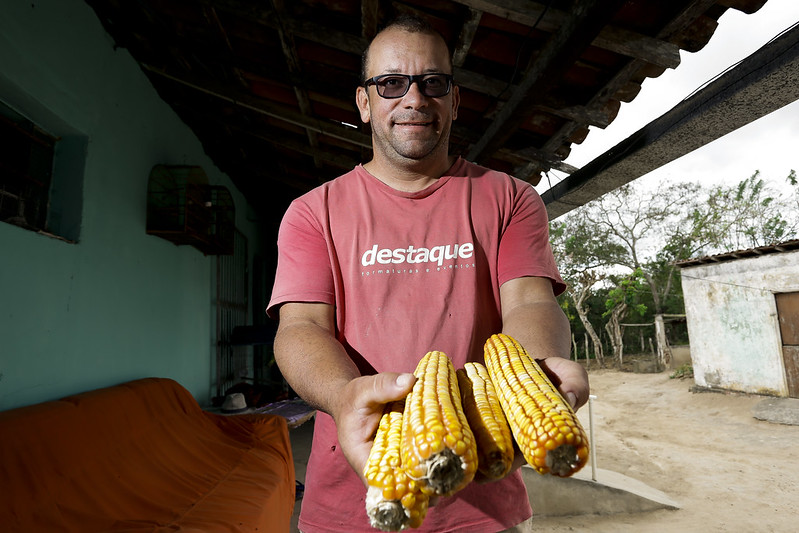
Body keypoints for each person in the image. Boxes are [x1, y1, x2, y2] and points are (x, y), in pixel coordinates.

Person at [267, 14, 589, 533]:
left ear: (454, 101)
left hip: (485, 497)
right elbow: (301, 327)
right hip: (353, 500)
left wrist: (530, 382)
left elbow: (530, 303)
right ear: (364, 102)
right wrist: (344, 396)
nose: (414, 100)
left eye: (432, 83)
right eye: (391, 83)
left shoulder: (509, 198)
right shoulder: (312, 212)